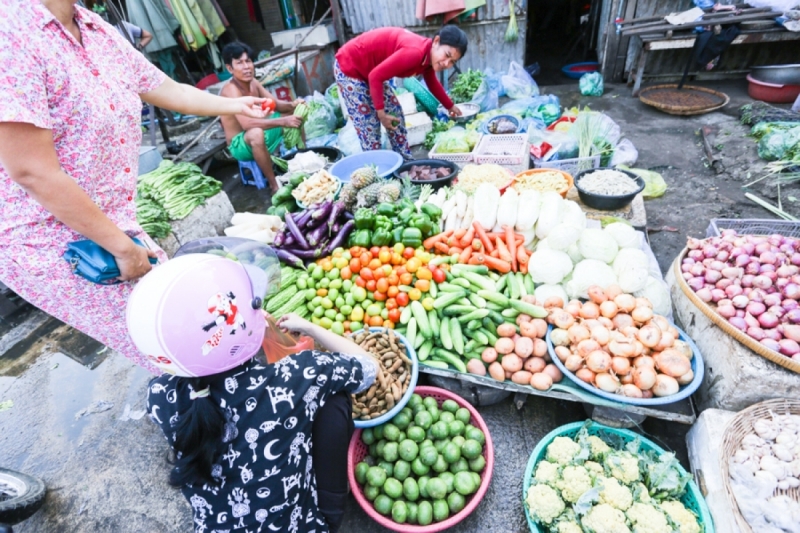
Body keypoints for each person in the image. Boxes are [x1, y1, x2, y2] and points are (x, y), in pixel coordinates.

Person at [0, 0, 269, 374]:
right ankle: (212, 418)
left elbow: (170, 89)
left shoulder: (93, 27)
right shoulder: (10, 33)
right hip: (50, 237)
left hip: (111, 219)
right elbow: (31, 171)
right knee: (171, 343)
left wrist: (236, 103)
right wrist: (124, 249)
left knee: (193, 325)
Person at [128, 252, 379, 533]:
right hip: (302, 527)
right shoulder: (297, 375)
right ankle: (333, 505)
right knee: (334, 398)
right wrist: (309, 327)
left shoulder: (160, 395)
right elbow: (369, 368)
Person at [334, 25, 468, 159]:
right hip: (350, 65)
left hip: (370, 70)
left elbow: (432, 83)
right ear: (437, 41)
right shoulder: (416, 53)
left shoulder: (428, 58)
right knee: (369, 126)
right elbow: (375, 77)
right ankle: (377, 170)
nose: (446, 63)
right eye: (447, 55)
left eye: (452, 62)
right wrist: (381, 114)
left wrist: (450, 106)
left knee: (394, 113)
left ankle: (405, 160)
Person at [220, 41, 305, 194]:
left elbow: (276, 105)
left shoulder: (253, 83)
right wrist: (283, 121)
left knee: (297, 113)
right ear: (229, 68)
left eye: (248, 61)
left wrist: (294, 105)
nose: (246, 67)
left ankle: (305, 158)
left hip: (259, 131)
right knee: (256, 133)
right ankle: (274, 184)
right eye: (239, 63)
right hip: (240, 144)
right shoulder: (230, 90)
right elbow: (247, 125)